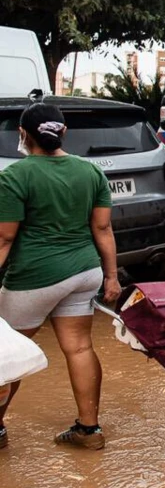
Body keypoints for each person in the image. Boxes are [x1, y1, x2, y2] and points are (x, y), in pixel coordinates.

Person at [0, 102, 122, 450]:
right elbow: (103, 228)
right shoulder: (91, 172)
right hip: (85, 272)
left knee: (6, 353)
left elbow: (5, 238)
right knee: (80, 346)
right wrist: (111, 277)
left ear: (23, 135)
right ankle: (89, 429)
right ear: (63, 133)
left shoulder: (15, 176)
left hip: (35, 277)